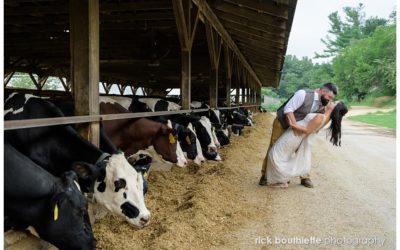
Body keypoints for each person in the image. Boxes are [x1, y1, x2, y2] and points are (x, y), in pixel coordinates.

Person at [259, 83, 337, 188]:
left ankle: (304, 176)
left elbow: (317, 120)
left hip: (299, 127)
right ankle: (265, 175)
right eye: (329, 97)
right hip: (283, 123)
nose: (329, 100)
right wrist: (294, 125)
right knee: (274, 147)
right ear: (323, 91)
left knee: (302, 148)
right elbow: (288, 109)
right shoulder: (303, 94)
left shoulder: (322, 104)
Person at [266, 101, 348, 188]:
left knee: (274, 154)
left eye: (334, 102)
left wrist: (292, 124)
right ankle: (282, 179)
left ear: (335, 108)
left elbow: (308, 130)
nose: (331, 102)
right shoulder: (326, 118)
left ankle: (282, 181)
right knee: (281, 155)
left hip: (294, 136)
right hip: (295, 136)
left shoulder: (321, 117)